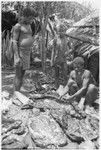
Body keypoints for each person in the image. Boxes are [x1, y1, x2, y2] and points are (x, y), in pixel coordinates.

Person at [12, 7, 37, 92]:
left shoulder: (29, 25)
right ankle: (15, 94)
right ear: (25, 16)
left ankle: (18, 92)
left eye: (33, 18)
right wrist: (17, 57)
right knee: (18, 75)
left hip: (27, 53)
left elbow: (28, 37)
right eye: (30, 18)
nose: (32, 20)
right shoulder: (18, 26)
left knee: (22, 74)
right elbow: (14, 42)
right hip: (20, 53)